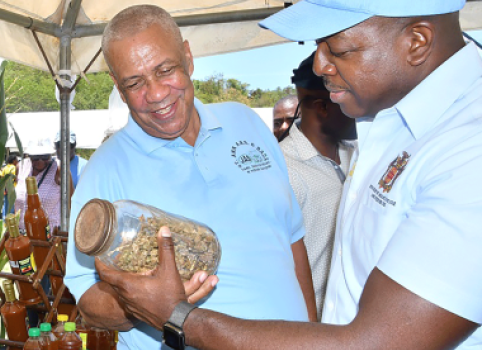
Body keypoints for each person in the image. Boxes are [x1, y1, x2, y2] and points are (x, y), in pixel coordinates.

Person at [96, 1, 482, 349]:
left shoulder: (468, 149)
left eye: (340, 49)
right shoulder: (392, 121)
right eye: (318, 45)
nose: (318, 65)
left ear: (417, 41)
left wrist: (180, 318)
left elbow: (376, 342)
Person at [64, 5, 317, 350]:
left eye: (165, 69)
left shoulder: (246, 122)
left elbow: (291, 241)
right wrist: (140, 304)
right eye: (134, 83)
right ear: (118, 89)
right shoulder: (104, 172)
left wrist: (314, 333)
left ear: (187, 56)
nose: (155, 94)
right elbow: (88, 304)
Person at [280, 52, 356, 321]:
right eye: (351, 98)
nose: (359, 110)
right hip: (315, 327)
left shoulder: (359, 153)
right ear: (324, 106)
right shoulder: (282, 172)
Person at [14, 137, 72, 232]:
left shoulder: (60, 169)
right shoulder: (20, 167)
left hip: (49, 236)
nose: (40, 161)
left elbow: (70, 204)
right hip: (22, 234)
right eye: (36, 157)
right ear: (29, 155)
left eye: (45, 157)